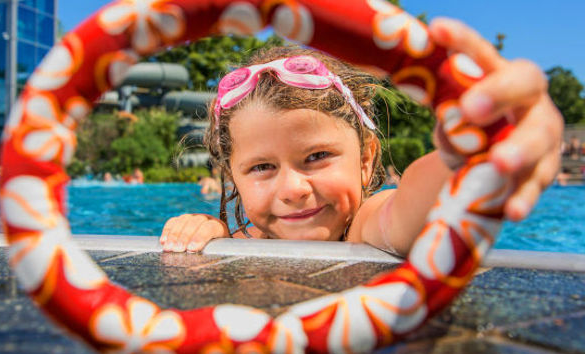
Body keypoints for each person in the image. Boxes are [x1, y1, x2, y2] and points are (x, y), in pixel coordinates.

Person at [160, 18, 563, 255]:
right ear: (232, 175)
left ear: (367, 158)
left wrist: (469, 150)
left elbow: (411, 207)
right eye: (261, 167)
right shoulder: (243, 238)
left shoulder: (364, 225)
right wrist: (208, 233)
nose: (293, 189)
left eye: (317, 156)